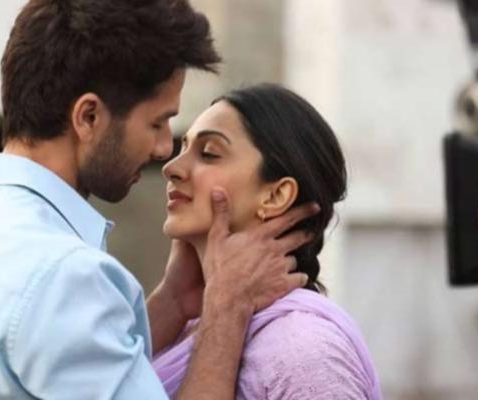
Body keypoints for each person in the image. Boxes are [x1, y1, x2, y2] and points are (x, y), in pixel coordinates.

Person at [0, 1, 318, 399]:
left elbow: (57, 364)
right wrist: (227, 307)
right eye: (157, 123)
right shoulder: (64, 275)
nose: (164, 150)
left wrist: (171, 302)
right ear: (89, 117)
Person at [153, 84, 382, 399]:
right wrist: (174, 301)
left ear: (276, 196)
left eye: (209, 153)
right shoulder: (183, 326)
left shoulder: (302, 350)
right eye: (184, 148)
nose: (171, 168)